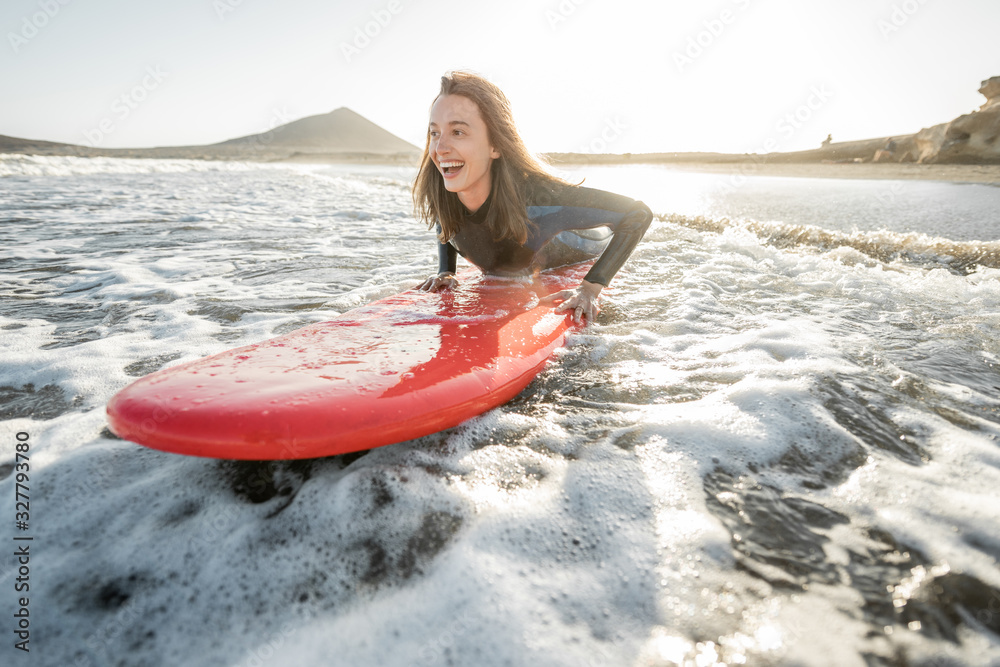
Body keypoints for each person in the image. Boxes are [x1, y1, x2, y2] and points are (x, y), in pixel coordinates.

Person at [412, 71, 653, 324]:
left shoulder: (540, 199)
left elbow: (637, 213)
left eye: (458, 132)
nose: (440, 149)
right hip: (521, 255)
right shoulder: (446, 188)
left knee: (603, 230)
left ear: (495, 145)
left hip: (584, 242)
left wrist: (590, 288)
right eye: (435, 133)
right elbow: (447, 223)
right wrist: (446, 271)